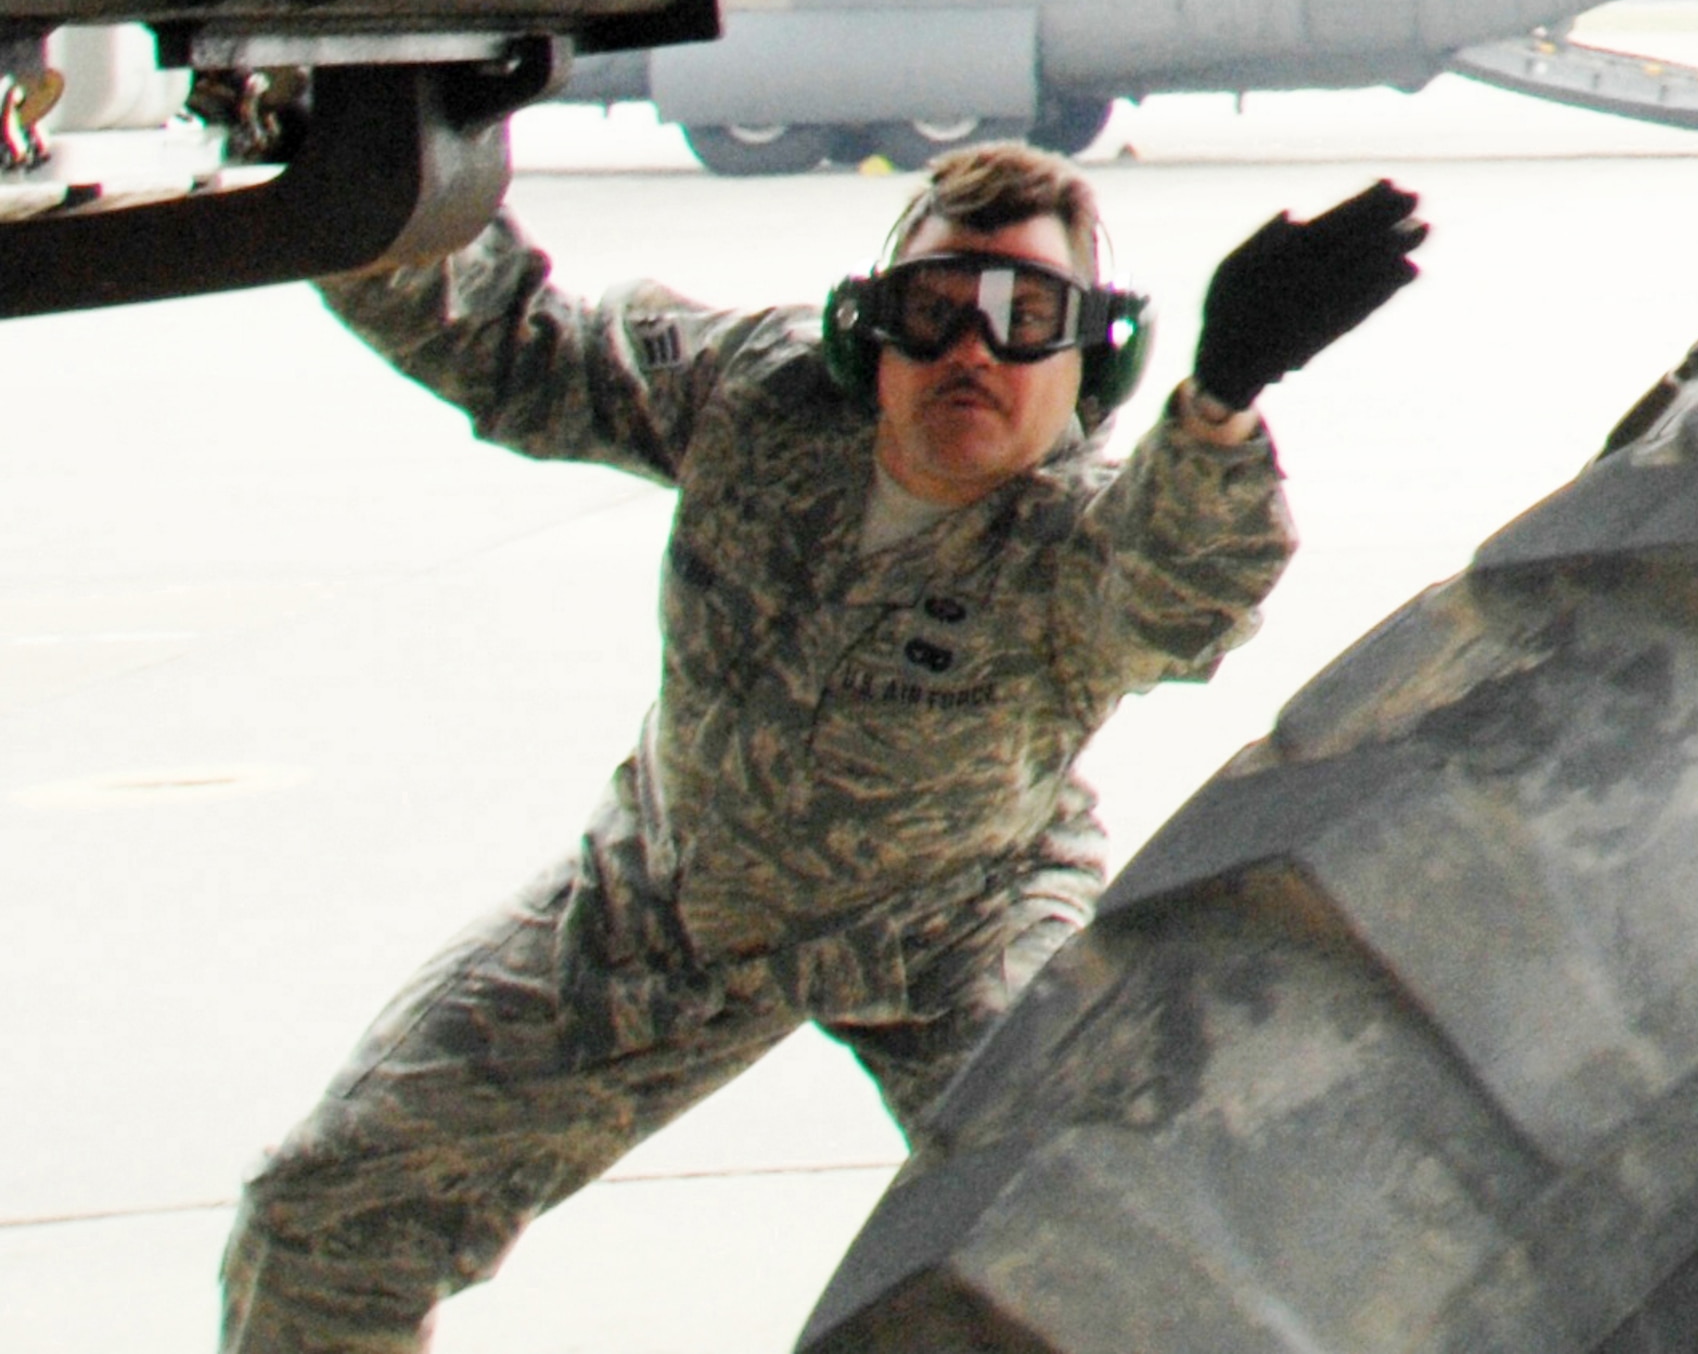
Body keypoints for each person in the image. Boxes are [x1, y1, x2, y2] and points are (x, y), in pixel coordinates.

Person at [219, 142, 1426, 1352]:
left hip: (951, 928)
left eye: (1026, 316)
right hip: (675, 904)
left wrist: (1217, 410)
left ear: (1090, 360)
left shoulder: (1077, 538)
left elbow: (1180, 597)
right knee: (326, 1220)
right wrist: (374, 169)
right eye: (933, 309)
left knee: (1094, 1249)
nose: (972, 351)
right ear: (865, 336)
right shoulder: (759, 399)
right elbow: (520, 349)